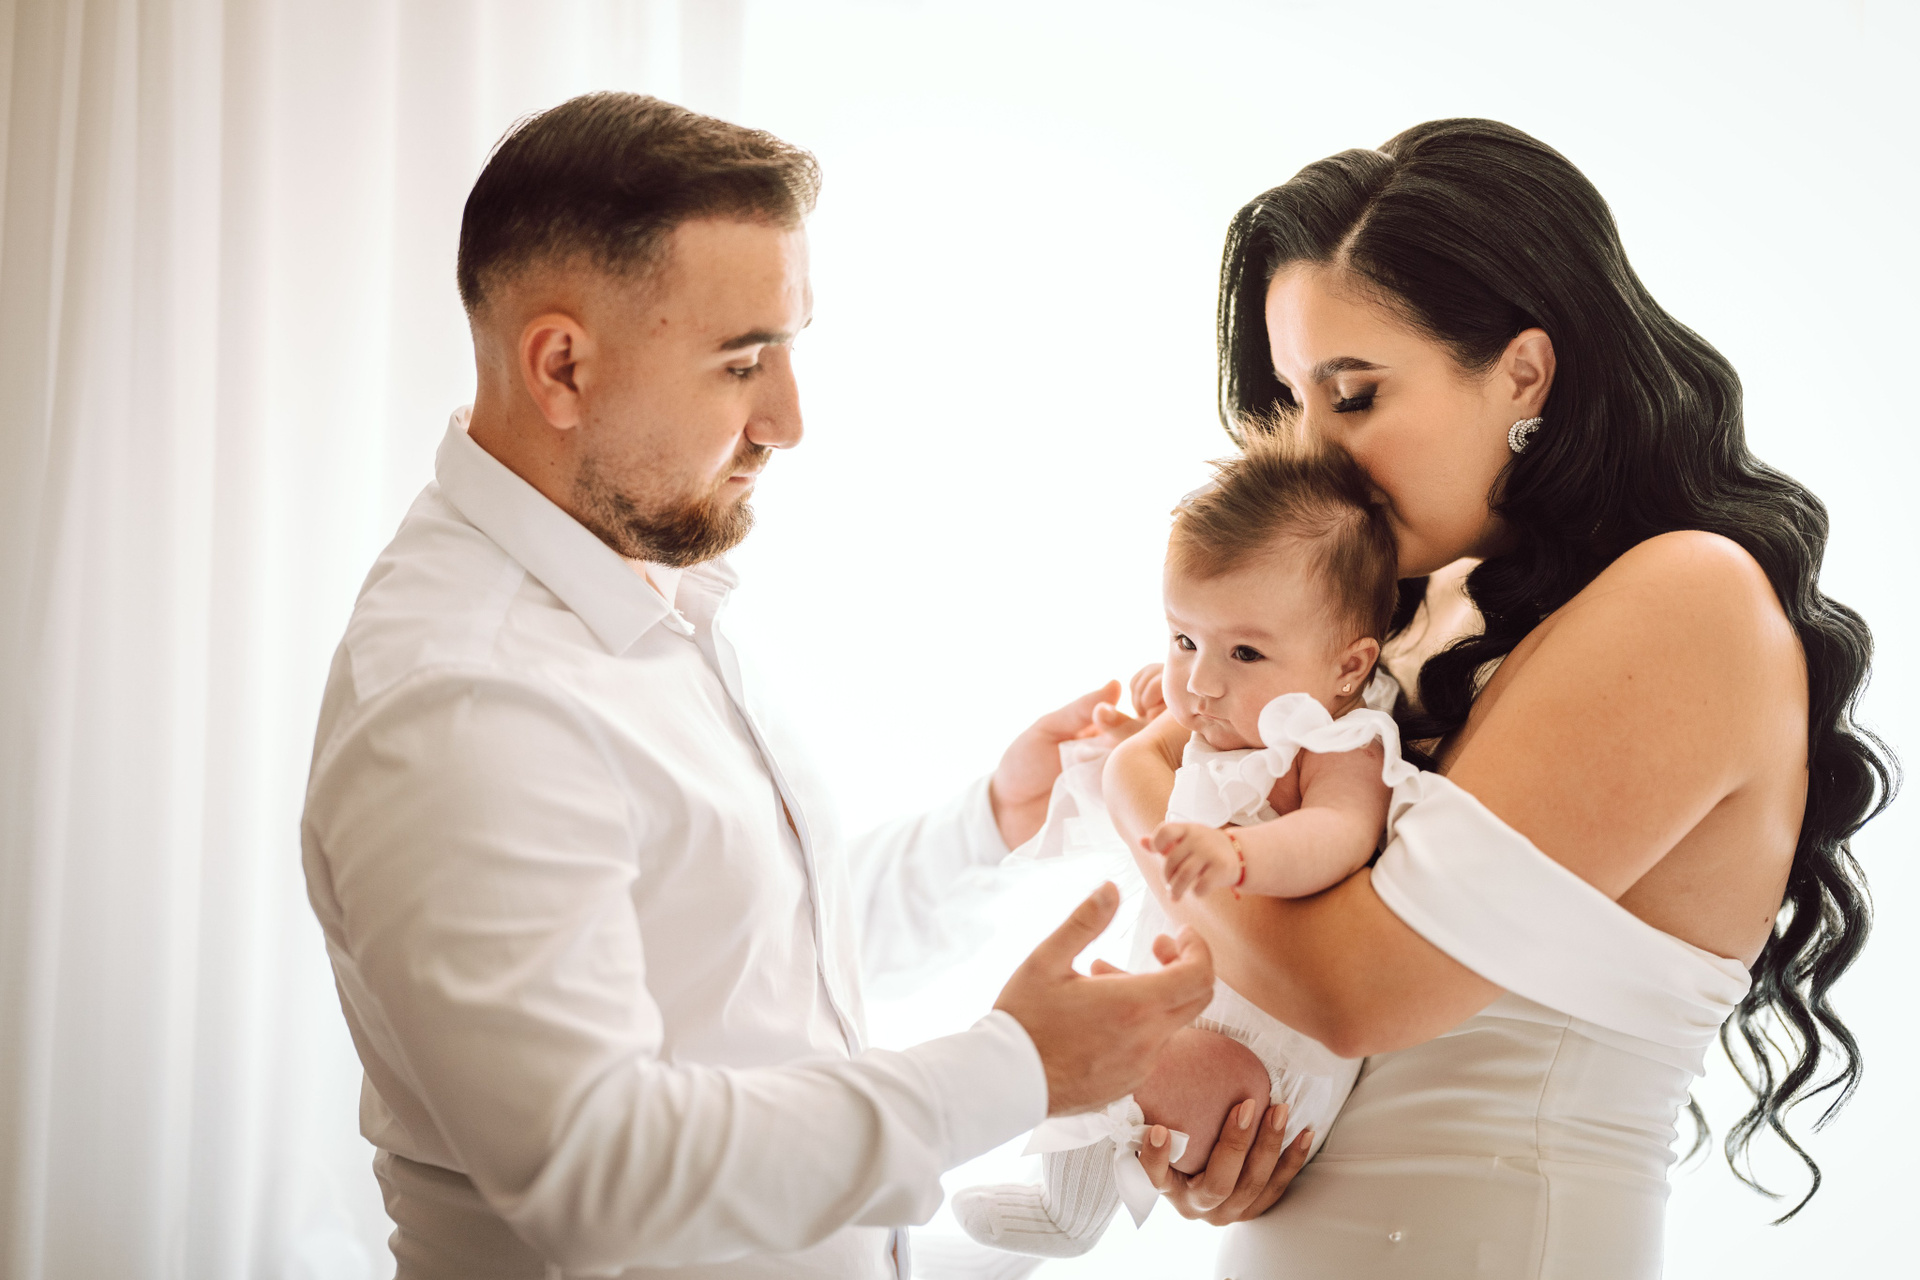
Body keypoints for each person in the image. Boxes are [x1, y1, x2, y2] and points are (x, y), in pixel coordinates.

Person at [297, 92, 1215, 1280]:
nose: (788, 418)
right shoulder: (469, 699)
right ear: (561, 366)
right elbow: (600, 1171)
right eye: (743, 361)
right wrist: (1016, 1070)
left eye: (789, 348)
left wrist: (992, 822)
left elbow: (741, 974)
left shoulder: (637, 587)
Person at [1097, 118, 1893, 1278]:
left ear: (1523, 372)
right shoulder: (1423, 631)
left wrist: (1132, 787)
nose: (1316, 450)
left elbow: (1353, 988)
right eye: (1292, 399)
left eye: (1354, 395)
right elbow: (1308, 1006)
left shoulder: (1691, 599)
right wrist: (1223, 1114)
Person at [954, 433, 1415, 1258]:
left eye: (1244, 652)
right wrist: (1131, 739)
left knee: (1141, 1058)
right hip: (1193, 1010)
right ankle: (1043, 1214)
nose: (1201, 681)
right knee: (1083, 1023)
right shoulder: (1212, 718)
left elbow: (1340, 834)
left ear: (1348, 666)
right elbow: (1146, 775)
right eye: (1182, 640)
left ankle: (1067, 1219)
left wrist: (1242, 857)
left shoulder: (1339, 738)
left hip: (1263, 1058)